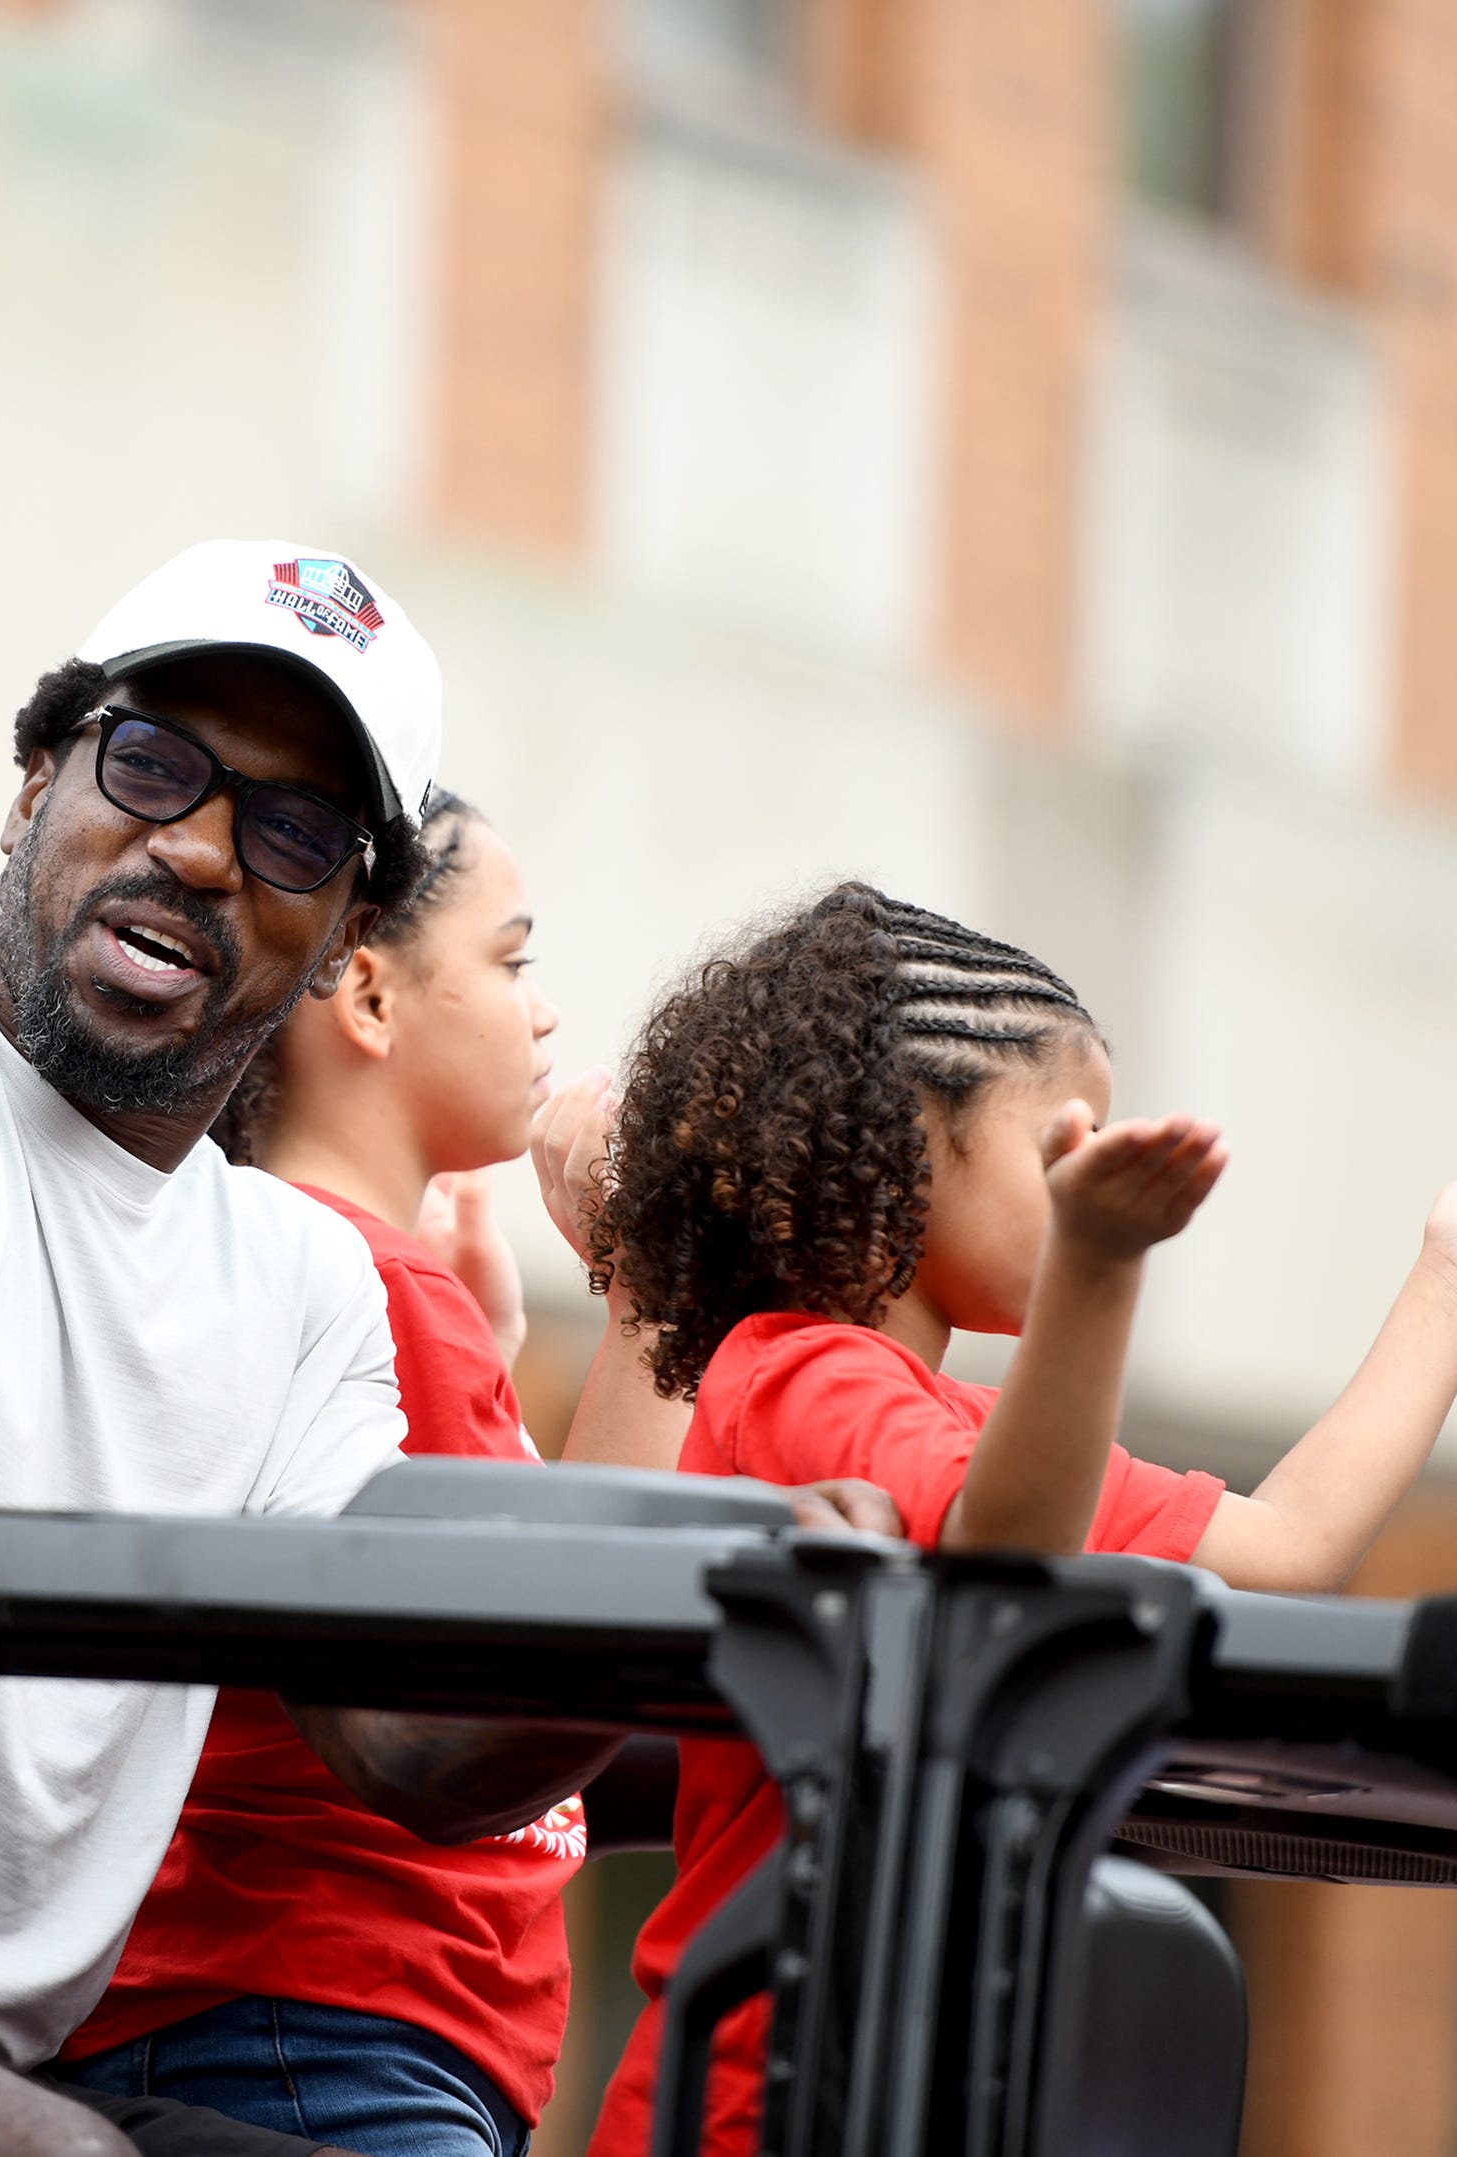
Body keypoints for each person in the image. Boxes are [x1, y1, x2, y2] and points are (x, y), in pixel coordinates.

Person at [0, 544, 640, 2157]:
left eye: (293, 829)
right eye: (154, 762)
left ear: (343, 940)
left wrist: (693, 1588)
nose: (195, 848)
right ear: (37, 775)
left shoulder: (305, 1282)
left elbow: (408, 1749)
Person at [579, 882, 1457, 2157]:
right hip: (767, 2094)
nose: (1094, 1182)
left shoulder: (977, 1432)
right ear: (910, 1144)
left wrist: (1453, 1289)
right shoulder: (796, 1371)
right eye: (1060, 1151)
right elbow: (999, 1554)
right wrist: (1099, 1264)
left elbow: (1288, 1546)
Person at [49, 793, 892, 2156]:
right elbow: (576, 1631)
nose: (546, 1015)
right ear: (369, 992)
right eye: (512, 960)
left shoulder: (327, 1267)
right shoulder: (373, 1283)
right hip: (326, 2023)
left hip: (284, 2017)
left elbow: (563, 1630)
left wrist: (615, 1295)